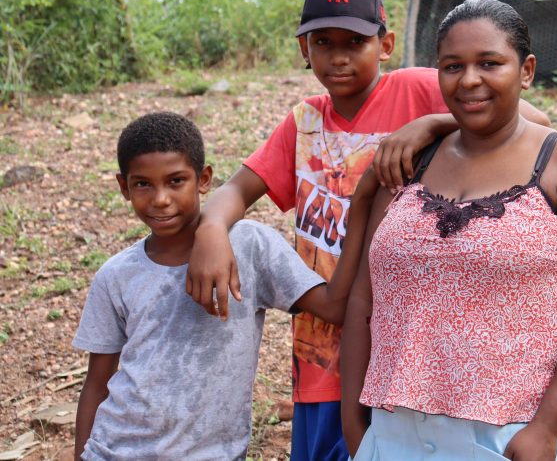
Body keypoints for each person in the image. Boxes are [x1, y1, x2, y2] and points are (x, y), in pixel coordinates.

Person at [185, 0, 549, 461]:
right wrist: (211, 227)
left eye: (355, 41)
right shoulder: (305, 123)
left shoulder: (421, 88)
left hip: (402, 349)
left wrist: (431, 121)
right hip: (320, 348)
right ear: (303, 48)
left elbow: (533, 123)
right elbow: (236, 189)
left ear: (385, 44)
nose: (339, 56)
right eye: (323, 41)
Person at [340, 0, 557, 460]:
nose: (469, 79)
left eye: (489, 63)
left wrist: (547, 429)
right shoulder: (410, 165)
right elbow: (363, 299)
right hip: (392, 430)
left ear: (526, 70)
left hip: (503, 435)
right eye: (453, 66)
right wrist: (353, 422)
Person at [73, 112, 351, 461]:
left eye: (176, 181)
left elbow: (334, 307)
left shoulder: (250, 245)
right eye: (143, 184)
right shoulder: (116, 275)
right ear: (123, 187)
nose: (160, 199)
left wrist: (364, 209)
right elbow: (97, 383)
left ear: (203, 180)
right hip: (114, 450)